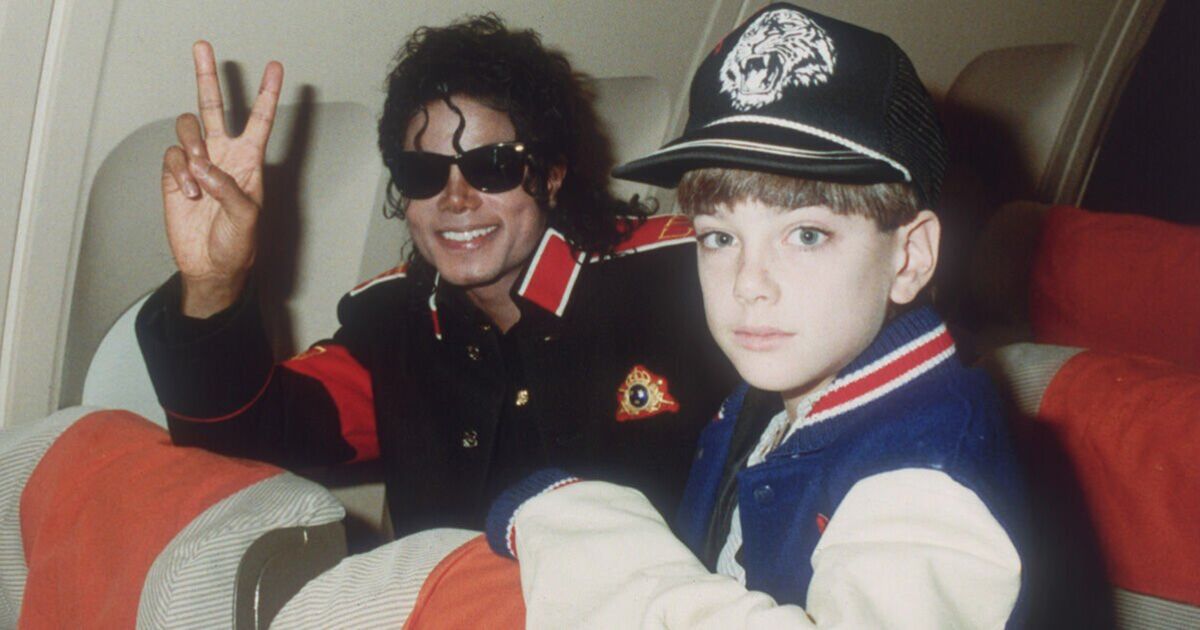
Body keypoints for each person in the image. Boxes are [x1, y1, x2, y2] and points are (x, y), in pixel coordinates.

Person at [477, 4, 1029, 627]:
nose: (748, 283)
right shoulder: (762, 402)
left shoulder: (926, 482)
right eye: (720, 237)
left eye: (807, 235)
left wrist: (579, 524)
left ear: (911, 256)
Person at [137, 14, 733, 538]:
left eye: (492, 166)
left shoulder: (683, 282)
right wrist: (213, 282)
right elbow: (241, 436)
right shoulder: (395, 326)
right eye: (424, 172)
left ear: (551, 175)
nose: (456, 199)